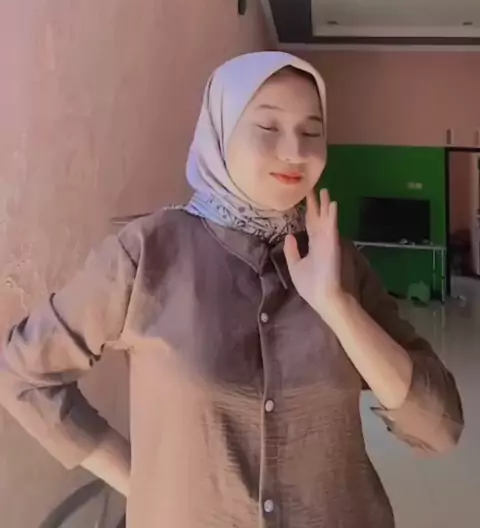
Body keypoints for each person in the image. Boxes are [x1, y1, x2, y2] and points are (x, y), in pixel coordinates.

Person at [0, 51, 463, 528]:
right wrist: (142, 484)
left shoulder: (339, 262)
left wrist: (337, 305)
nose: (294, 151)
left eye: (312, 132)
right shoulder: (148, 252)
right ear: (220, 133)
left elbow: (439, 427)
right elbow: (25, 373)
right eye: (268, 127)